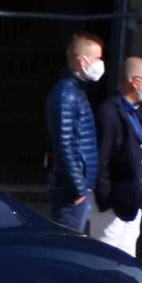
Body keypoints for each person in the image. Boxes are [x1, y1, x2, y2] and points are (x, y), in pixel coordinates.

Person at [87, 56, 142, 256]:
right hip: (112, 203)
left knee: (125, 259)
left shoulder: (133, 113)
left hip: (130, 202)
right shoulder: (109, 111)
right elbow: (102, 157)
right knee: (104, 257)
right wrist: (105, 198)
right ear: (136, 82)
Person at [46, 33, 107, 232]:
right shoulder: (66, 94)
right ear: (82, 60)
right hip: (70, 191)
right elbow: (64, 144)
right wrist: (78, 187)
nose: (100, 63)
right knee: (67, 245)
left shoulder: (76, 91)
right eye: (97, 58)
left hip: (77, 188)